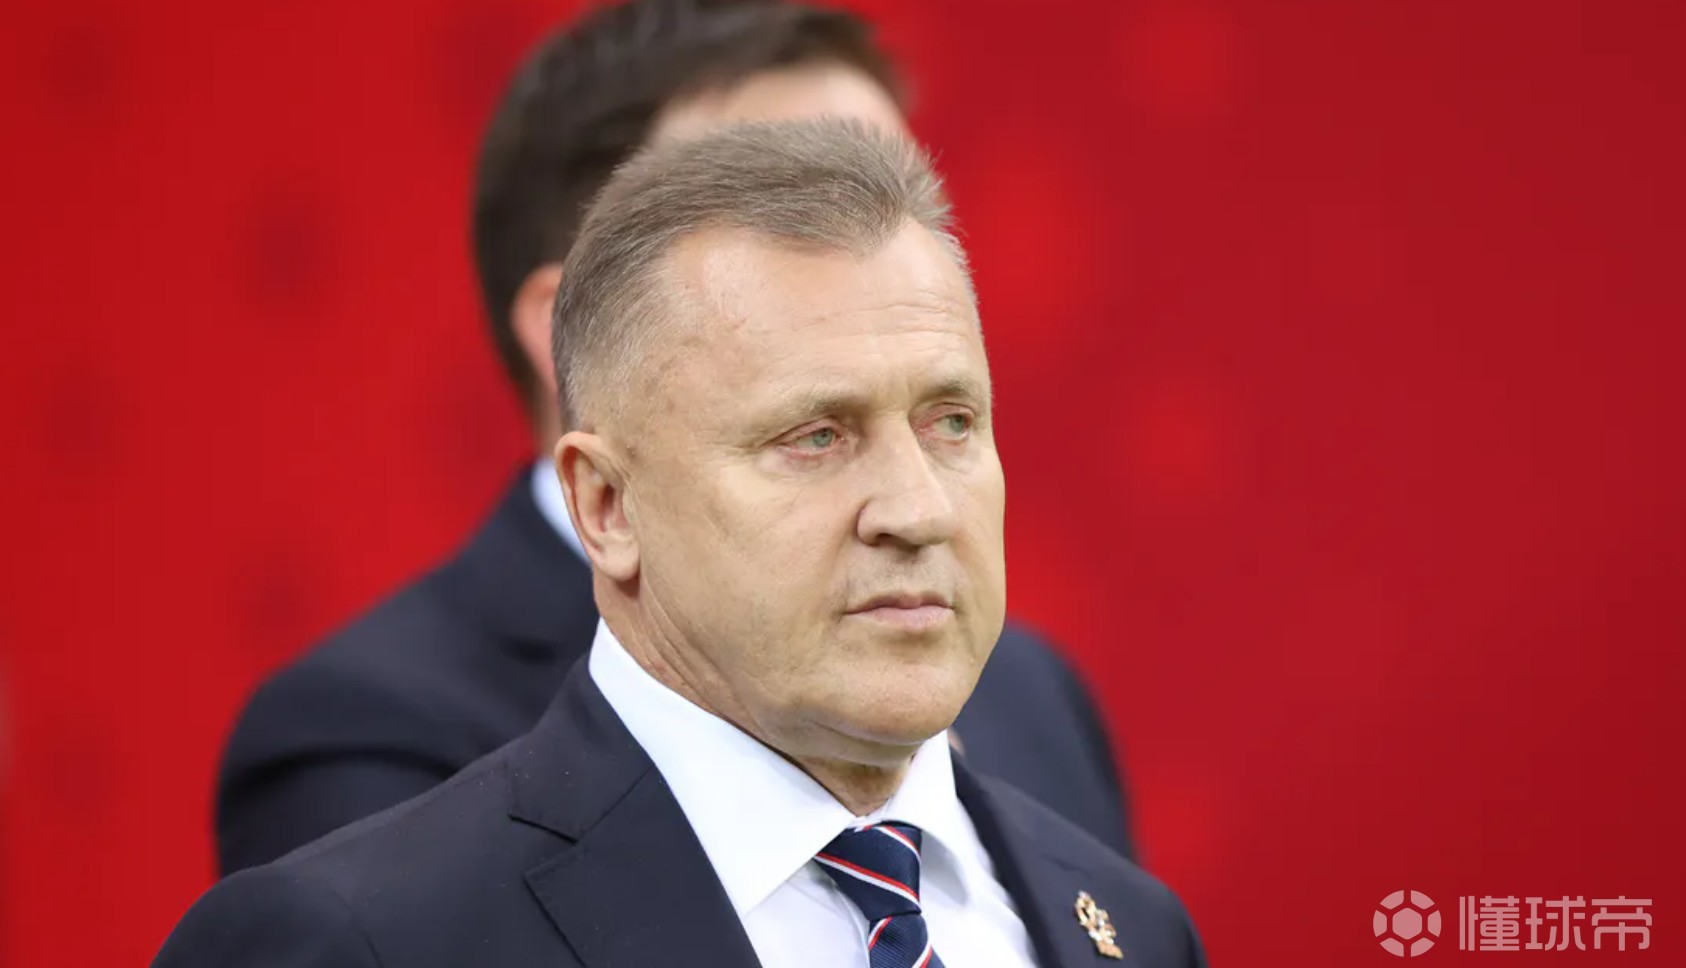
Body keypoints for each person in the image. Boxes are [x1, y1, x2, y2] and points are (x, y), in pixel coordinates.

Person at [158, 119, 1201, 968]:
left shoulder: (1129, 926)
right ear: (606, 505)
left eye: (952, 423)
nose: (917, 509)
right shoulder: (358, 939)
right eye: (816, 436)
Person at [216, 0, 1133, 875]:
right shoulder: (372, 733)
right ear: (568, 323)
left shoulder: (1031, 697)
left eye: (894, 198)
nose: (873, 251)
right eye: (783, 202)